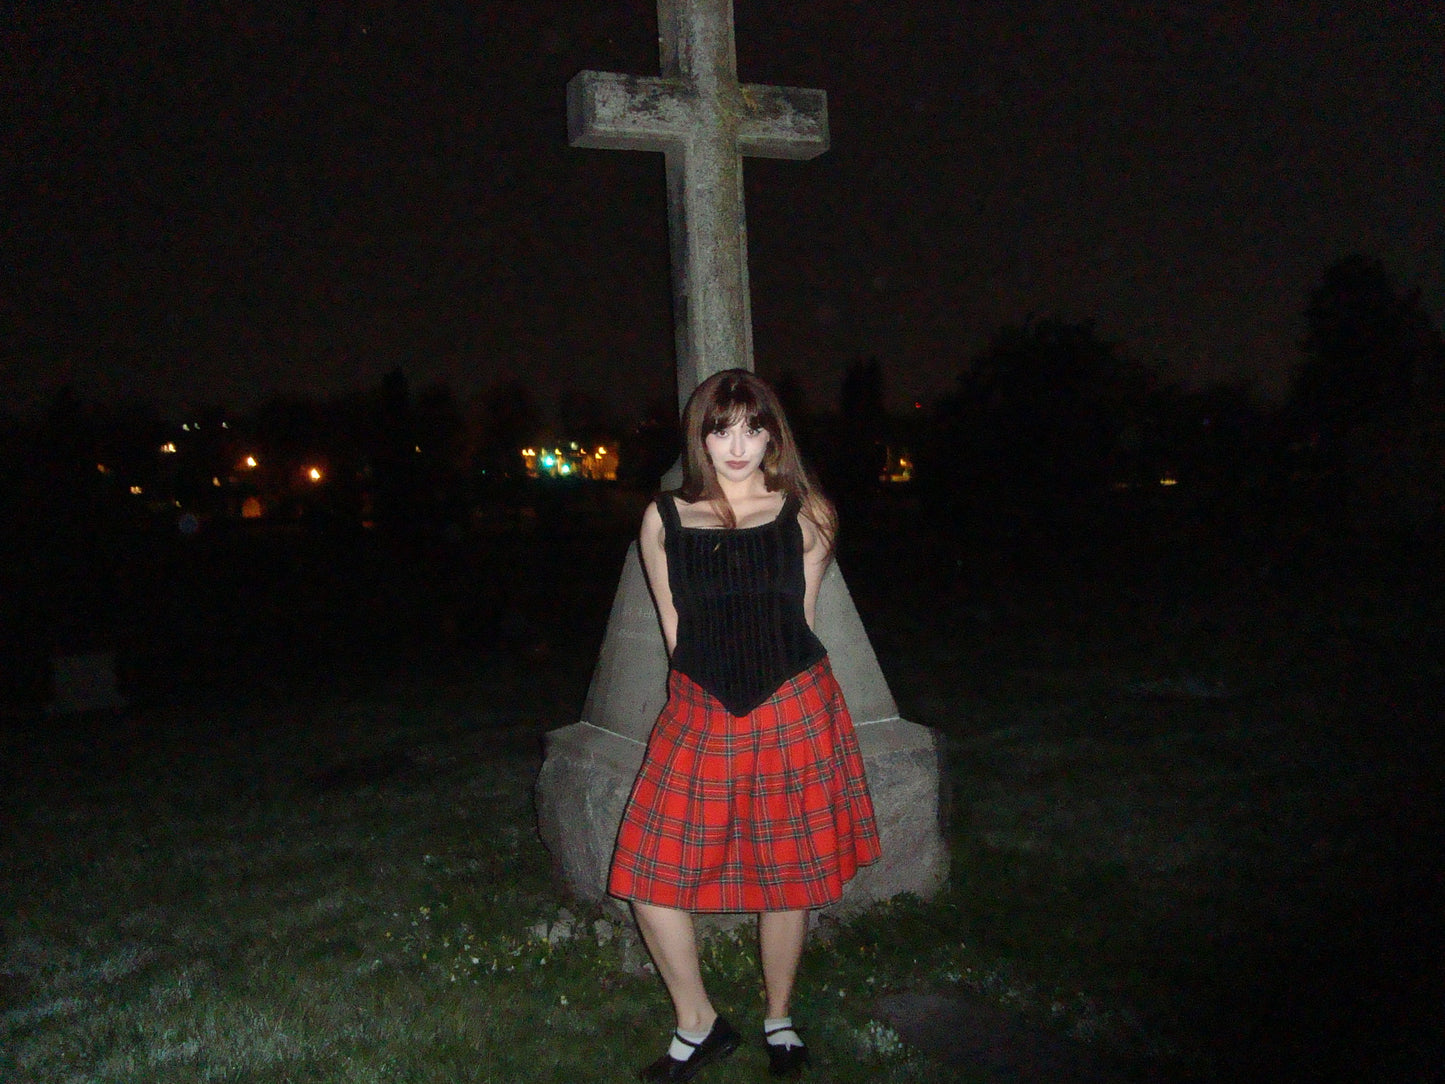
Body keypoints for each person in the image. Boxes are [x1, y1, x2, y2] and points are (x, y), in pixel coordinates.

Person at [608, 369, 881, 1081]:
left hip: (792, 705)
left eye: (752, 429)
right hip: (699, 711)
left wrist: (790, 705)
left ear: (772, 436)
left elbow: (803, 618)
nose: (737, 446)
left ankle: (778, 1017)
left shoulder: (807, 512)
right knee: (645, 874)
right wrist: (693, 704)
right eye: (720, 429)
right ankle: (698, 1023)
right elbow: (674, 630)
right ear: (699, 438)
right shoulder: (664, 518)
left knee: (786, 877)